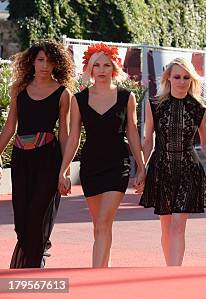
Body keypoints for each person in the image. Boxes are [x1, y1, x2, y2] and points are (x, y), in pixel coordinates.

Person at [57, 43, 146, 268]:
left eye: (107, 65)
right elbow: (73, 138)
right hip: (91, 166)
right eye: (97, 65)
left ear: (114, 68)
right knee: (98, 226)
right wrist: (63, 171)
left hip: (118, 165)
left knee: (104, 222)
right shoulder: (79, 99)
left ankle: (96, 275)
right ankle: (103, 271)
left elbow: (133, 134)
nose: (102, 70)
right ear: (90, 69)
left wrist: (142, 167)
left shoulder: (127, 97)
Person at [0, 40, 74, 268]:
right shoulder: (19, 90)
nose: (44, 65)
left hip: (48, 160)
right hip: (21, 160)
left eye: (50, 61)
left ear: (57, 65)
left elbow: (65, 134)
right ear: (32, 61)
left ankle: (34, 263)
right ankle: (37, 251)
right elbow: (10, 127)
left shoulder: (63, 94)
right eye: (40, 60)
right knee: (21, 221)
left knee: (36, 215)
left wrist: (65, 171)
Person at [139, 57, 206, 266]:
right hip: (160, 167)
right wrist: (141, 169)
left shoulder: (199, 107)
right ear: (168, 78)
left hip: (188, 168)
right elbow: (148, 140)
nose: (182, 81)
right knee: (166, 228)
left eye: (186, 77)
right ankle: (169, 269)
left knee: (178, 227)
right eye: (177, 77)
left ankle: (175, 272)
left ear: (192, 79)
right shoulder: (154, 104)